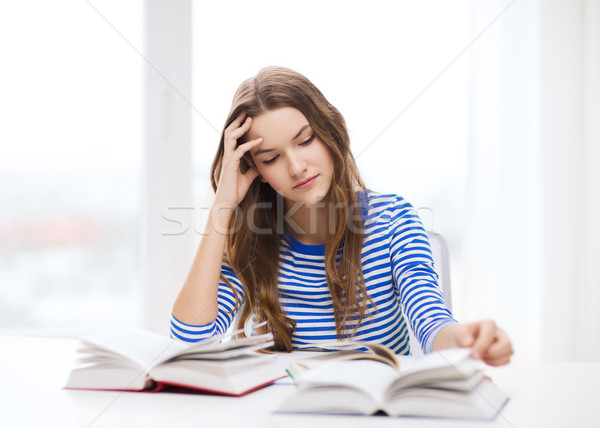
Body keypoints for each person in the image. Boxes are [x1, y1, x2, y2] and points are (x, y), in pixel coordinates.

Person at [171, 66, 513, 366]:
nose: (296, 166)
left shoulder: (394, 221)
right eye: (272, 158)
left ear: (329, 129)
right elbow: (190, 342)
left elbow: (431, 322)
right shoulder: (255, 239)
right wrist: (223, 205)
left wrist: (466, 340)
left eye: (305, 140)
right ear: (254, 169)